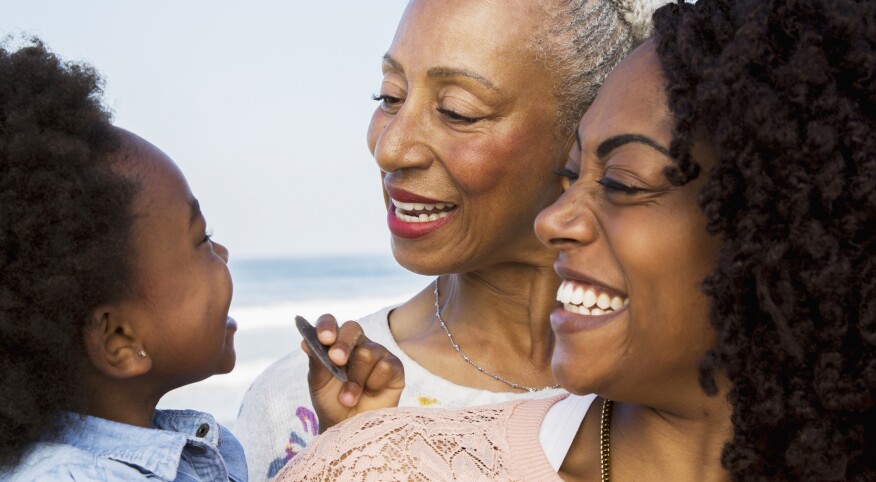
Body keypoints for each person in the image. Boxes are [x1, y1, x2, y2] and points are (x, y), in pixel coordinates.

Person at [274, 0, 876, 479]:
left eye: (619, 181)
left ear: (777, 228)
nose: (554, 219)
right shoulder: (378, 463)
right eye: (572, 175)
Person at [234, 0, 670, 479]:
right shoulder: (305, 403)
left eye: (456, 111)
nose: (391, 148)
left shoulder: (682, 391)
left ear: (587, 132)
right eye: (390, 96)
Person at [0, 40, 246, 481]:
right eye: (201, 239)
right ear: (118, 338)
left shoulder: (204, 450)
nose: (223, 253)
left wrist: (341, 442)